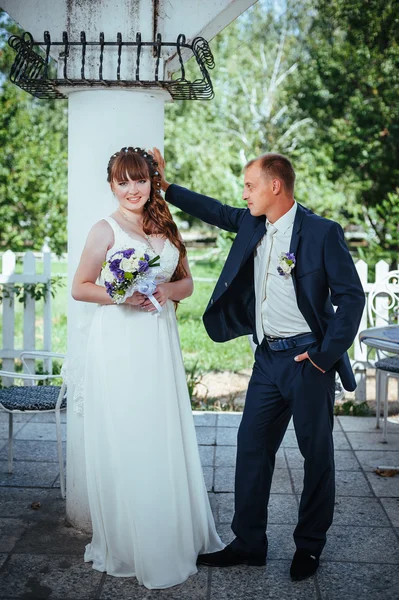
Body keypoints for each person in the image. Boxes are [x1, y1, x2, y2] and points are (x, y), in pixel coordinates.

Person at [152, 148, 365, 581]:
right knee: (251, 448)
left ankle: (309, 547)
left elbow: (352, 298)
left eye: (250, 185)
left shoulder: (322, 232)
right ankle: (249, 543)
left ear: (275, 186)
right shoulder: (252, 223)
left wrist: (324, 356)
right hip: (267, 360)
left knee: (316, 455)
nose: (244, 193)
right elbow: (212, 210)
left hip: (308, 361)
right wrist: (165, 186)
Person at [71, 146, 224, 589]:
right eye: (123, 181)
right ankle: (133, 541)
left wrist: (163, 290)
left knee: (162, 430)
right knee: (132, 433)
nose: (132, 189)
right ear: (112, 185)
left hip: (160, 340)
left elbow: (189, 284)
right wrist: (123, 294)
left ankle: (172, 531)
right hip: (121, 341)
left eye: (140, 179)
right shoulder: (105, 229)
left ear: (152, 181)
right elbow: (81, 288)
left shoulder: (167, 224)